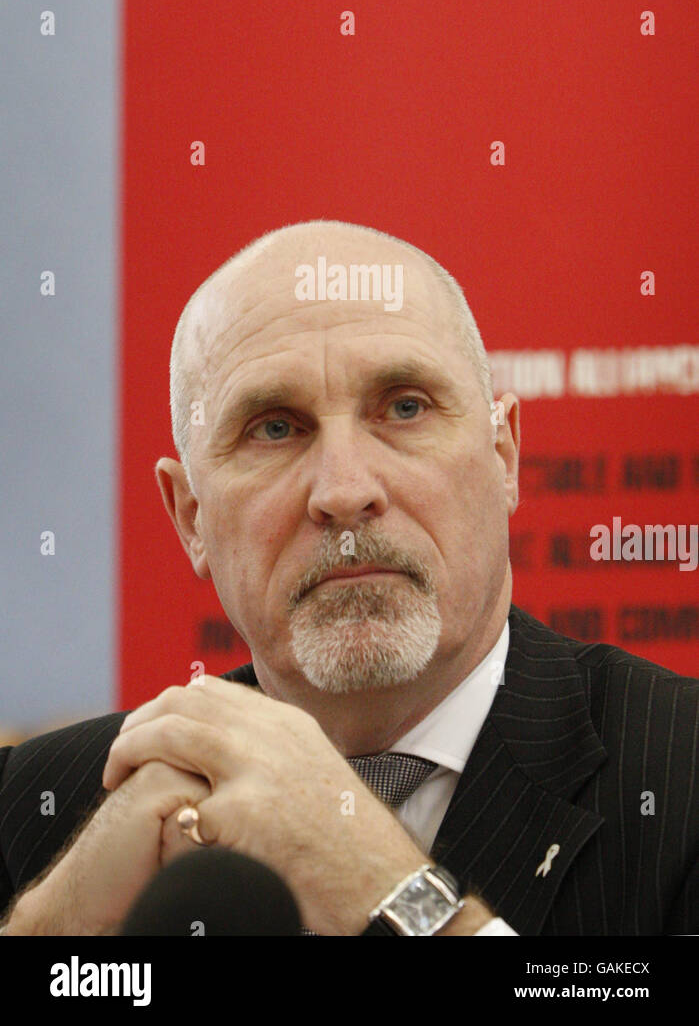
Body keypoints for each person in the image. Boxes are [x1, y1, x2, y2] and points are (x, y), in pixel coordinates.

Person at [1, 220, 696, 936]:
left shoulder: (678, 773)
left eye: (404, 408)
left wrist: (390, 890)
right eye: (275, 428)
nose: (343, 490)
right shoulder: (44, 807)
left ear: (503, 458)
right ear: (190, 518)